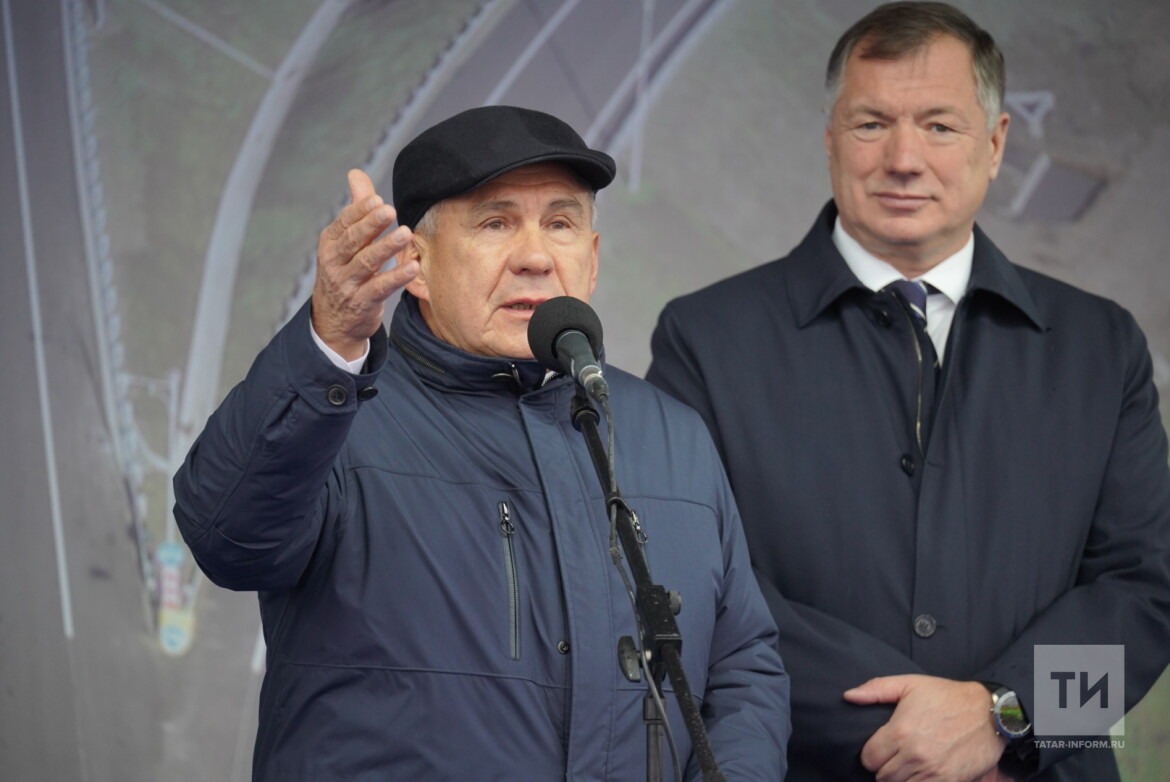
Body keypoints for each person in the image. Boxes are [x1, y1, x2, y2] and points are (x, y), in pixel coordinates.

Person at [172, 105, 789, 781]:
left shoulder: (673, 436)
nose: (535, 257)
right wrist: (329, 343)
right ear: (415, 262)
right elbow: (229, 539)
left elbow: (741, 668)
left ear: (592, 258)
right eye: (495, 223)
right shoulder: (335, 413)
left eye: (560, 224)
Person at [647, 3, 1170, 781]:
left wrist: (1010, 717)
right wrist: (914, 737)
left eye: (939, 126)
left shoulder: (1101, 347)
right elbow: (691, 586)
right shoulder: (705, 340)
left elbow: (1147, 596)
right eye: (871, 124)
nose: (903, 158)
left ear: (995, 145)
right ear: (830, 138)